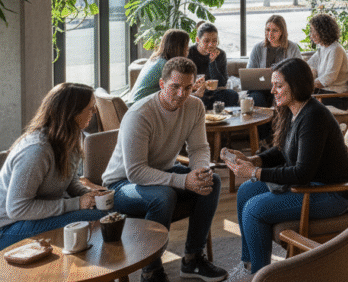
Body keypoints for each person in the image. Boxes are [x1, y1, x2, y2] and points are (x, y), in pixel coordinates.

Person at [222, 57, 348, 281]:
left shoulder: (313, 116)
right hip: (312, 185)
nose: (272, 90)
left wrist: (255, 173)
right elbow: (282, 150)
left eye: (279, 85)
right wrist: (253, 160)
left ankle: (260, 275)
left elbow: (301, 173)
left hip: (332, 193)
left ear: (296, 85)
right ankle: (249, 266)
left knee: (254, 209)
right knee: (246, 192)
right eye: (273, 84)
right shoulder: (294, 110)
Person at [103, 57, 228, 282]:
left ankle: (192, 259)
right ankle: (151, 271)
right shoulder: (140, 114)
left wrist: (199, 173)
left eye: (188, 87)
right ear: (162, 84)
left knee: (213, 181)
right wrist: (183, 181)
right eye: (175, 87)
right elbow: (136, 172)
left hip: (163, 170)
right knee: (163, 196)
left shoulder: (195, 106)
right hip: (122, 184)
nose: (182, 94)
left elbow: (199, 147)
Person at [0, 83, 107, 248]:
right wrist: (77, 203)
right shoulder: (36, 151)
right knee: (97, 217)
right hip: (9, 226)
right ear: (72, 113)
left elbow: (69, 180)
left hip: (34, 218)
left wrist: (89, 196)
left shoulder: (70, 137)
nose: (94, 113)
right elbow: (17, 208)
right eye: (90, 108)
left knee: (105, 210)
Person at [246, 14, 301, 110]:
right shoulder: (258, 48)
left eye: (274, 30)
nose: (270, 34)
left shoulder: (292, 48)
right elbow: (249, 74)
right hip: (261, 89)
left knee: (282, 98)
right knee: (257, 99)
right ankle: (262, 124)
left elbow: (299, 71)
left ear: (282, 32)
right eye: (268, 30)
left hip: (282, 88)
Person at [128, 29, 191, 106]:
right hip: (141, 107)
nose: (188, 48)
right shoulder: (165, 65)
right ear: (179, 47)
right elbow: (176, 94)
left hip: (136, 104)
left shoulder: (156, 59)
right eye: (186, 46)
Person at [188, 22, 239, 111]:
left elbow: (222, 83)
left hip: (214, 93)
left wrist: (212, 62)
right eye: (206, 41)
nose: (211, 44)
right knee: (198, 99)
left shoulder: (221, 54)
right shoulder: (189, 53)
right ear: (197, 40)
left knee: (232, 95)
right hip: (196, 93)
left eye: (214, 41)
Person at [307, 14, 348, 108]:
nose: (311, 35)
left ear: (323, 32)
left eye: (313, 31)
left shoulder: (336, 49)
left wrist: (308, 84)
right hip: (325, 92)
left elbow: (330, 77)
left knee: (297, 97)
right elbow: (310, 65)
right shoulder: (323, 47)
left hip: (337, 97)